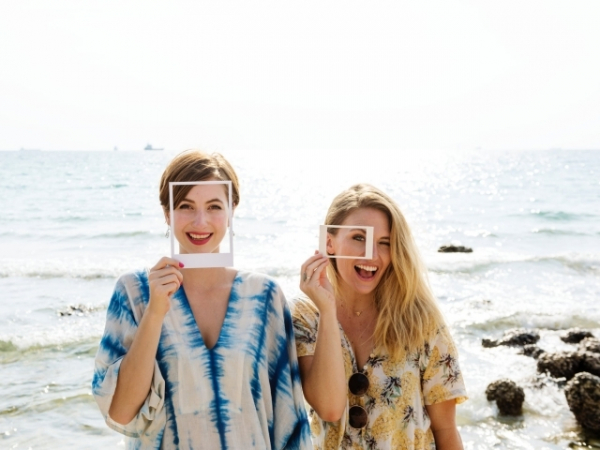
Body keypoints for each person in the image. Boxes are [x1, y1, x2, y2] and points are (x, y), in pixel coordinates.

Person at [93, 150, 311, 450]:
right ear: (167, 213)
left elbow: (289, 420)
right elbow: (121, 412)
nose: (200, 220)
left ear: (232, 211)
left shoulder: (265, 295)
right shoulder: (133, 291)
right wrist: (155, 313)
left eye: (214, 206)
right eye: (186, 206)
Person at [291, 184, 467, 450]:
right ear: (329, 242)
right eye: (358, 238)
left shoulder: (420, 320)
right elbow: (329, 408)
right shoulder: (305, 316)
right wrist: (327, 310)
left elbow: (446, 430)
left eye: (384, 243)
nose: (371, 255)